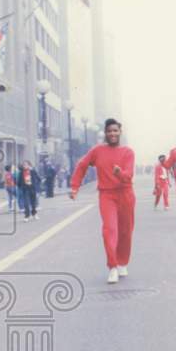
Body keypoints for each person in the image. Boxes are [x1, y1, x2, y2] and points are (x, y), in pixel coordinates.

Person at [70, 118, 136, 284]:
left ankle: (122, 263)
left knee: (125, 232)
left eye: (115, 130)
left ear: (120, 132)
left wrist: (119, 172)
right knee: (109, 230)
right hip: (107, 195)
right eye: (109, 131)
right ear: (105, 134)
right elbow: (82, 165)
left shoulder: (128, 152)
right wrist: (75, 186)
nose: (112, 133)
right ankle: (112, 266)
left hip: (125, 194)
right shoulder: (97, 151)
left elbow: (128, 175)